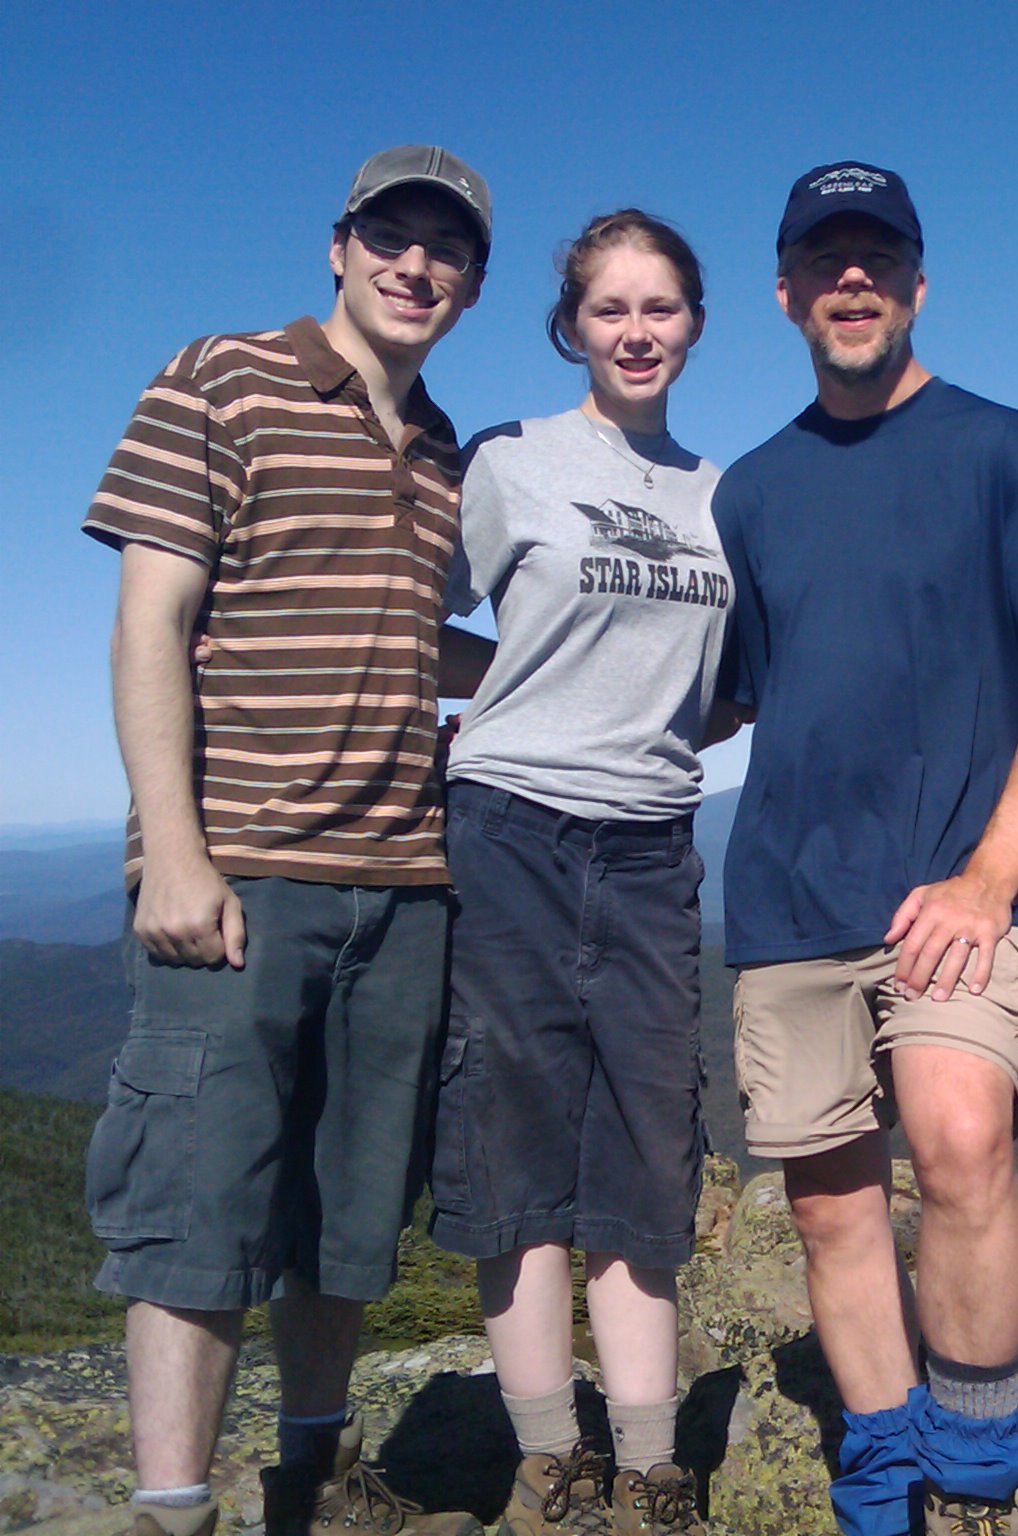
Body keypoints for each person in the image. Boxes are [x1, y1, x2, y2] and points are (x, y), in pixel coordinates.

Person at [711, 162, 1018, 1536]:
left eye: (876, 257)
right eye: (824, 260)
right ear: (786, 293)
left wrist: (989, 880)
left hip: (952, 884)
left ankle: (972, 1448)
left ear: (916, 282)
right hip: (787, 892)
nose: (852, 280)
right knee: (832, 1209)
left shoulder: (1000, 447)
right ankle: (883, 1457)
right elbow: (744, 691)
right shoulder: (755, 491)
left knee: (956, 1141)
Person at [80, 146, 492, 1536]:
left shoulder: (442, 449)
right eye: (393, 233)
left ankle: (317, 1487)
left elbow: (411, 639)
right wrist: (177, 852)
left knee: (347, 1216)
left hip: (406, 885)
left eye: (447, 247)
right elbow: (154, 620)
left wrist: (604, 673)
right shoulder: (223, 377)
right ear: (339, 244)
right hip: (244, 870)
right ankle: (173, 1511)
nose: (416, 263)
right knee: (199, 1213)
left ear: (473, 281)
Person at [426, 210, 730, 1536]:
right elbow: (408, 607)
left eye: (660, 306)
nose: (637, 330)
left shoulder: (729, 497)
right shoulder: (513, 464)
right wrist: (508, 691)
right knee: (514, 1145)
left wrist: (642, 722)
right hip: (509, 832)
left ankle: (653, 1460)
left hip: (656, 844)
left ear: (696, 323)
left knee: (648, 1157)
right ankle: (552, 1460)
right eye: (611, 308)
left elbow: (730, 692)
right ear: (574, 327)